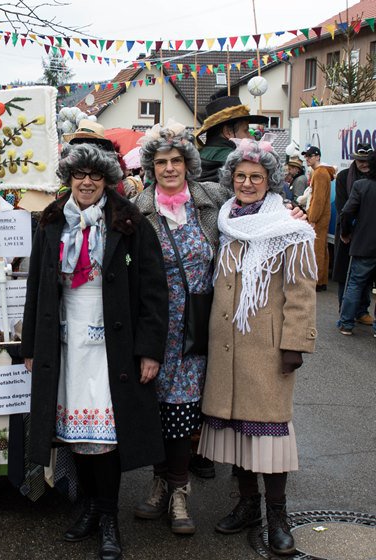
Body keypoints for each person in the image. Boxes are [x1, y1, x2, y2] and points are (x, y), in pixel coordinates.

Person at [22, 142, 168, 560]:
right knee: (73, 434)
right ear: (69, 178)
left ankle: (108, 519)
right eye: (79, 175)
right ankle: (87, 507)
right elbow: (36, 287)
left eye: (95, 176)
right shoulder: (52, 219)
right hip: (65, 342)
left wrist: (150, 351)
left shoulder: (129, 221)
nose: (86, 183)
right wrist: (32, 344)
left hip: (113, 347)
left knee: (104, 440)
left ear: (108, 180)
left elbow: (155, 293)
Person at [198, 138, 317, 557]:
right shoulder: (225, 222)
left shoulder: (290, 226)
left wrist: (295, 345)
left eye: (256, 177)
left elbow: (301, 290)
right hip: (225, 343)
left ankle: (278, 517)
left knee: (269, 434)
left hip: (266, 348)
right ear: (231, 179)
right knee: (236, 433)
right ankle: (247, 506)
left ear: (270, 182)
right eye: (241, 176)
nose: (247, 183)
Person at [133, 120, 227, 534]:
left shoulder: (213, 200)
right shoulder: (138, 210)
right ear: (150, 168)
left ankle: (179, 492)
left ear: (188, 164)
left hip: (200, 323)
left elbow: (258, 206)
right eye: (160, 162)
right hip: (156, 324)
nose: (169, 168)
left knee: (183, 410)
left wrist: (293, 210)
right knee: (155, 408)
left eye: (175, 161)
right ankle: (160, 482)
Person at [337, 149, 376, 337]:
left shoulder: (361, 185)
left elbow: (346, 212)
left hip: (364, 244)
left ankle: (346, 324)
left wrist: (346, 232)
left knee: (355, 283)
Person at [194, 95, 269, 184]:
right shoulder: (241, 160)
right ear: (228, 132)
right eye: (245, 131)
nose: (251, 137)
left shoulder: (192, 159)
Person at [301, 145, 335, 292]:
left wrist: (312, 218)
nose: (307, 158)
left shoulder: (320, 173)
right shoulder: (320, 172)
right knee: (321, 248)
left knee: (317, 249)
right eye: (306, 156)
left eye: (310, 156)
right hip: (322, 216)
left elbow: (318, 199)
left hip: (318, 217)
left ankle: (317, 281)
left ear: (317, 156)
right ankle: (321, 280)